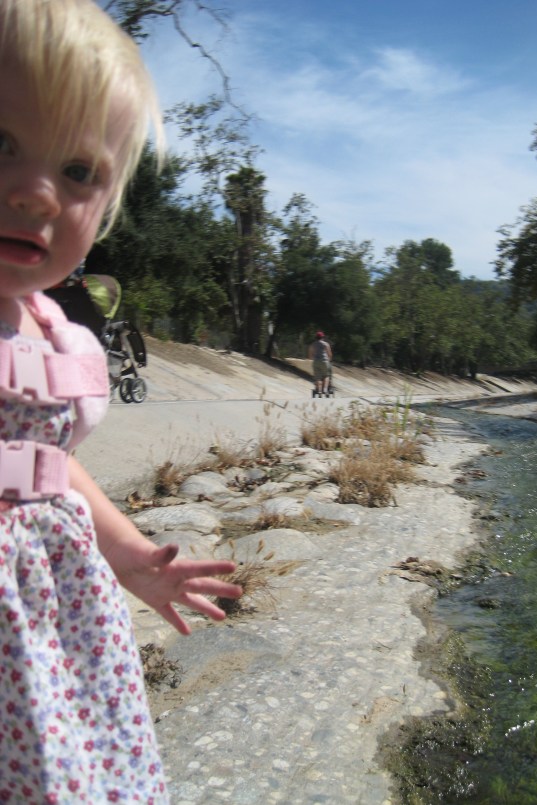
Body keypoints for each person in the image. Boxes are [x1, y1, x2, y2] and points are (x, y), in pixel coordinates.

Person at [0, 1, 242, 801]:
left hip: (49, 614)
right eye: (0, 144)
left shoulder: (50, 326)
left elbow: (50, 468)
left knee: (69, 761)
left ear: (104, 207)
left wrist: (135, 558)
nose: (36, 193)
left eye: (78, 173)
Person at [308, 331, 333, 395]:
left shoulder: (313, 344)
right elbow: (329, 354)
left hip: (316, 361)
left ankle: (319, 391)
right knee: (326, 375)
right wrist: (329, 360)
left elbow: (310, 355)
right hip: (324, 361)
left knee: (318, 377)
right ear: (322, 337)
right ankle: (325, 389)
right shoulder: (326, 344)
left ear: (316, 337)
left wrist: (312, 358)